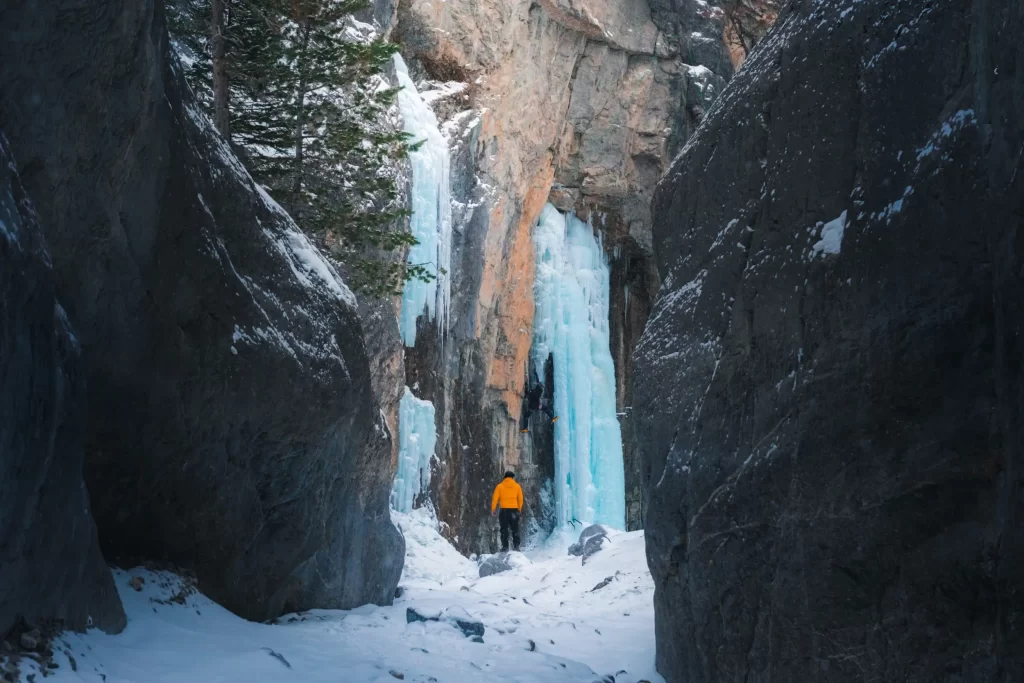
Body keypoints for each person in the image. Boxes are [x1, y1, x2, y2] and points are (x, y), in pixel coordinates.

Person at [490, 471, 524, 552]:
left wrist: (493, 509)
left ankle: (505, 546)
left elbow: (495, 499)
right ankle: (516, 546)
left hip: (504, 511)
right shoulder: (517, 486)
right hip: (514, 510)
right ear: (512, 478)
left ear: (505, 477)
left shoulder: (499, 486)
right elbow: (520, 499)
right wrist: (519, 509)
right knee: (515, 529)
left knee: (504, 529)